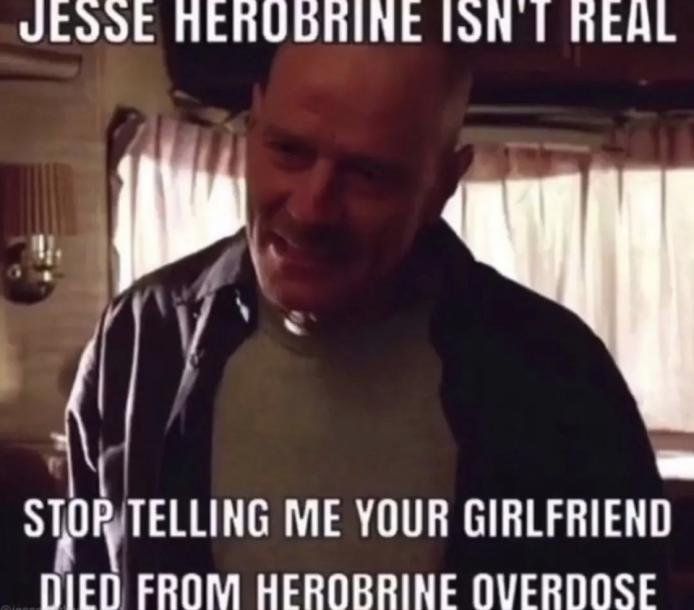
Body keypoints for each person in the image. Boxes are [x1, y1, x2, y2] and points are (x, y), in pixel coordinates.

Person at [55, 38, 669, 609]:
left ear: (443, 185)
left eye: (369, 174)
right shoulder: (139, 338)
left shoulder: (559, 378)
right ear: (254, 124)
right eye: (289, 150)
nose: (311, 209)